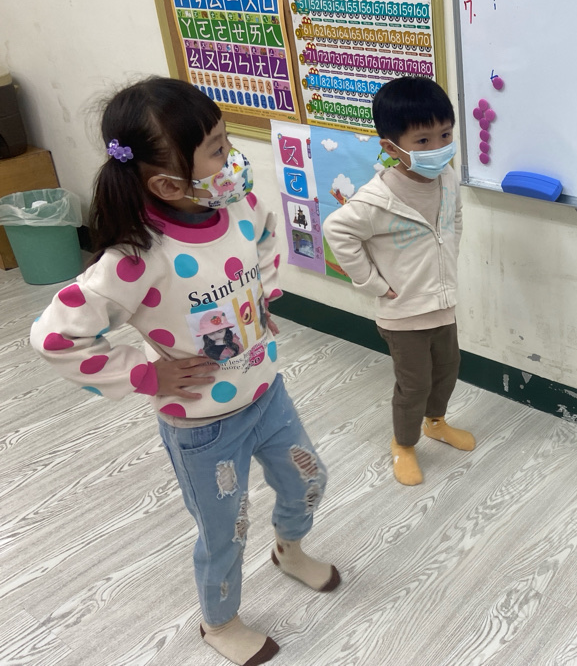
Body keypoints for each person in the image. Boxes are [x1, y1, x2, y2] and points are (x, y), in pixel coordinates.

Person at [30, 77, 337, 666]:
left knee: (309, 480)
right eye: (219, 150)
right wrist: (146, 375)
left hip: (267, 394)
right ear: (169, 183)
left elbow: (265, 240)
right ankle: (220, 623)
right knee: (227, 530)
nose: (234, 159)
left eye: (226, 141)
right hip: (204, 428)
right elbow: (53, 336)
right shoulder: (134, 258)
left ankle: (290, 550)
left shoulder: (238, 205)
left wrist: (262, 298)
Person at [323, 76, 474, 486]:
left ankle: (436, 422)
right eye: (423, 141)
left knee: (448, 369)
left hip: (442, 303)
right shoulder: (377, 200)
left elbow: (455, 217)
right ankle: (404, 444)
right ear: (391, 148)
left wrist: (450, 253)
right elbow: (337, 230)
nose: (438, 147)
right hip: (403, 312)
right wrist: (372, 283)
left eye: (445, 135)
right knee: (414, 384)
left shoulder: (447, 178)